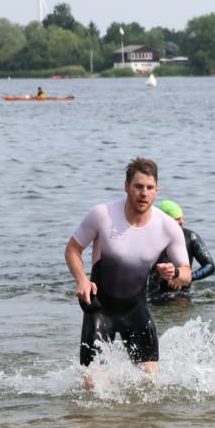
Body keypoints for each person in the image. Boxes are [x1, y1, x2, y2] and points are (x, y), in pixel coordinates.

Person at [65, 158, 191, 385]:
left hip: (136, 310)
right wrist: (81, 279)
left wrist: (174, 273)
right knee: (92, 385)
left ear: (157, 189)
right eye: (138, 186)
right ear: (126, 186)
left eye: (149, 187)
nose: (144, 193)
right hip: (99, 309)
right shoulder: (102, 215)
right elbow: (73, 249)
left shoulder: (168, 227)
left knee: (150, 383)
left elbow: (186, 273)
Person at [147, 200, 215, 302]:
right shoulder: (150, 238)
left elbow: (210, 266)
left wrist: (186, 278)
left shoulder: (190, 237)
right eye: (177, 219)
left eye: (182, 218)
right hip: (154, 294)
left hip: (182, 293)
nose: (182, 222)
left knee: (180, 304)